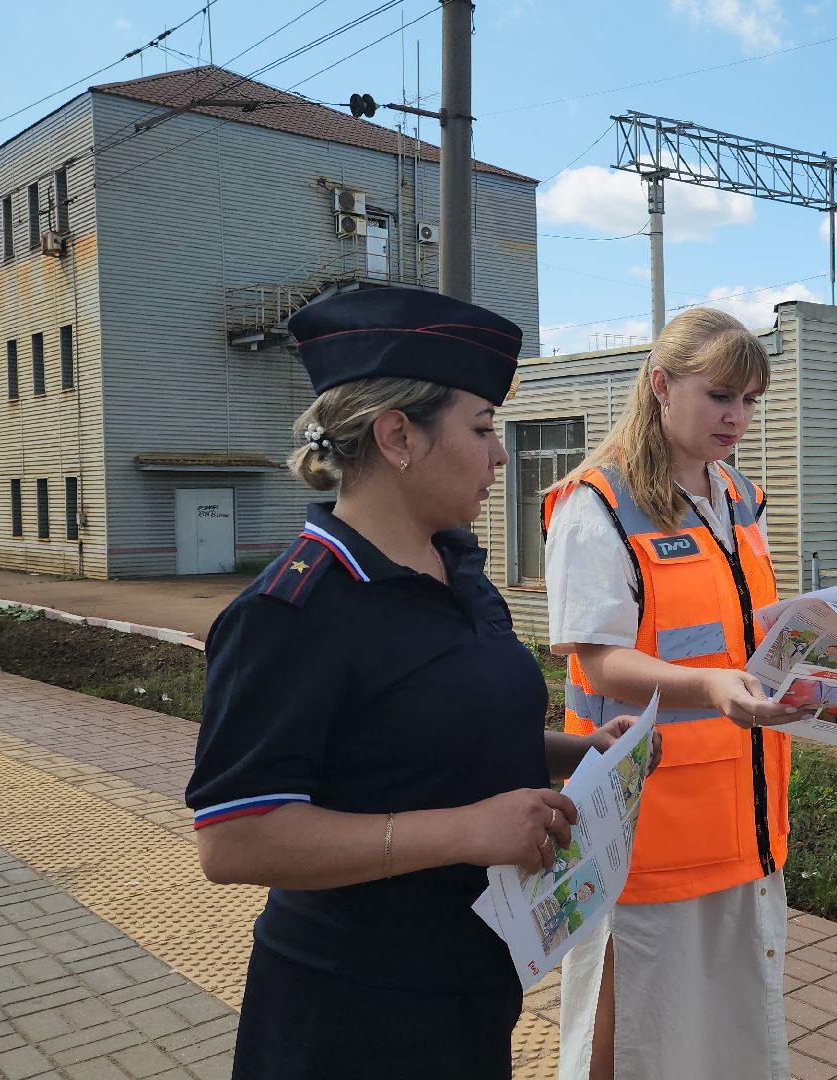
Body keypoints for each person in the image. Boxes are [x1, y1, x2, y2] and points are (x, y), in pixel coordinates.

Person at [186, 287, 653, 1080]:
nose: (501, 455)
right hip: (352, 1014)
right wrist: (468, 830)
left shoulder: (460, 569)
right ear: (398, 436)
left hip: (470, 988)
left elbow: (424, 738)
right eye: (482, 429)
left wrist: (575, 752)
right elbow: (235, 837)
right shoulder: (293, 610)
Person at [542, 307, 802, 1080]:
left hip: (744, 824)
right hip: (645, 830)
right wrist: (714, 685)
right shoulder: (597, 504)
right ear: (660, 384)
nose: (737, 417)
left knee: (729, 1041)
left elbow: (740, 628)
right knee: (632, 1044)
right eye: (721, 394)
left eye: (751, 400)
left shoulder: (733, 494)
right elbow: (601, 664)